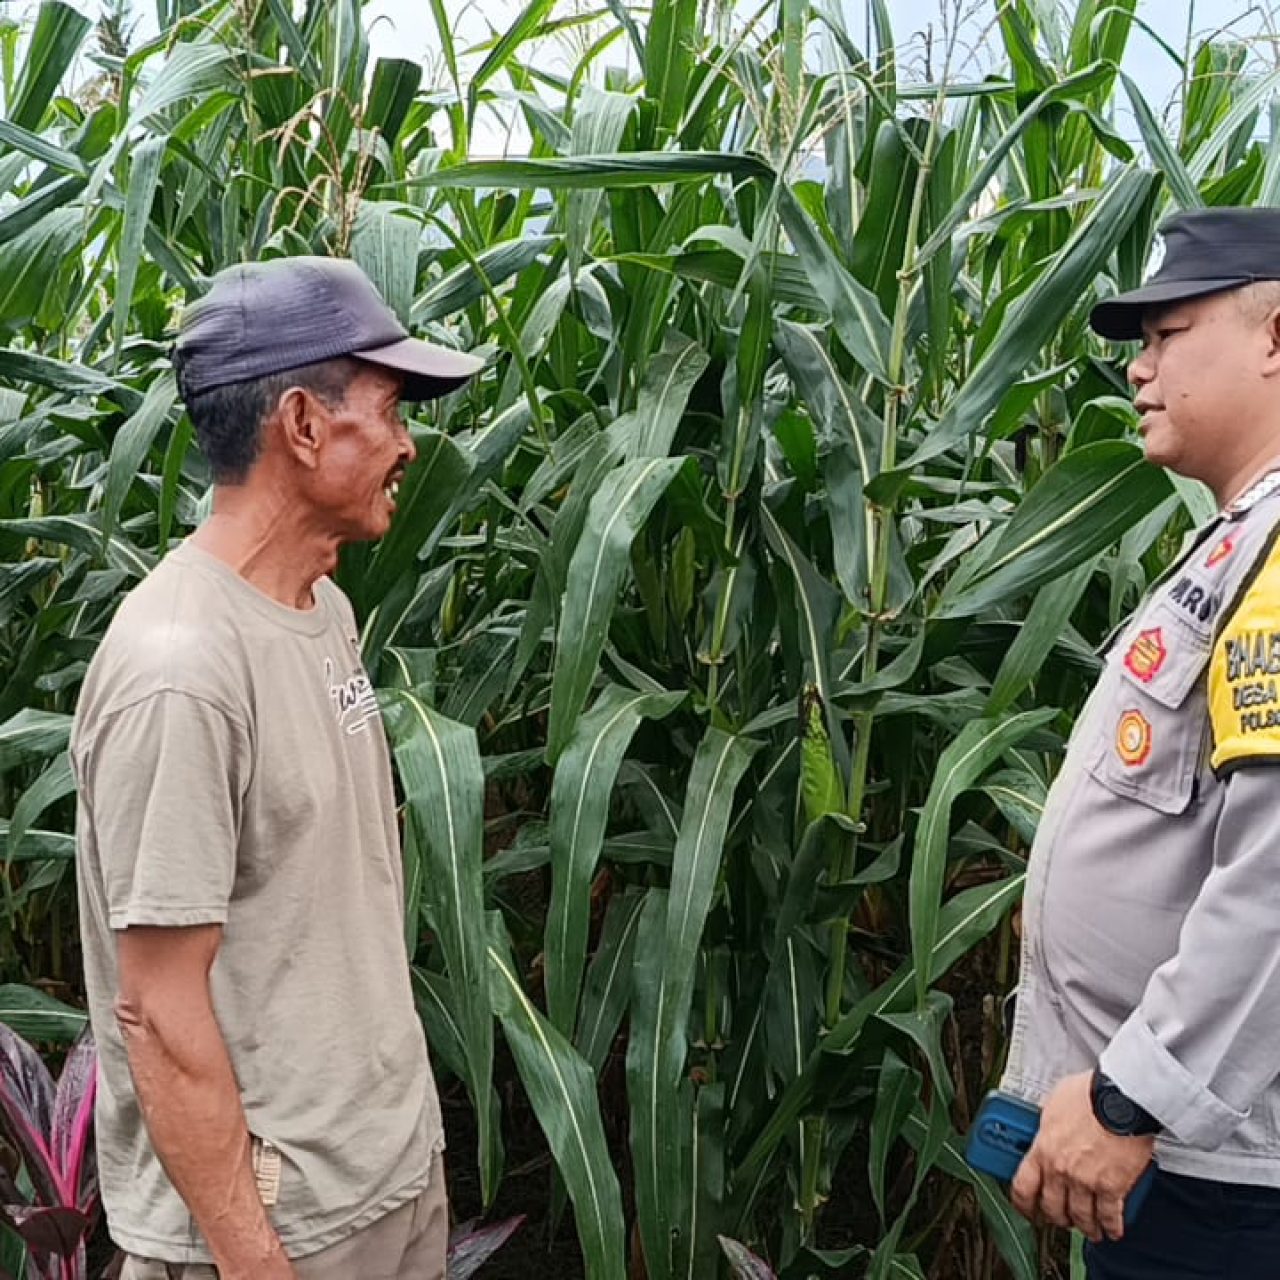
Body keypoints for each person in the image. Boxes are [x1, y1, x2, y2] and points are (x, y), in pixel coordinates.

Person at [72, 256, 483, 1279]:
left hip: (380, 1185)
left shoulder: (321, 606)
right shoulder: (182, 669)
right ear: (302, 424)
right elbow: (160, 1017)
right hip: (271, 1238)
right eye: (388, 408)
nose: (406, 442)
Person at [1001, 206, 1280, 1278]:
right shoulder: (1236, 541)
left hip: (1218, 1175)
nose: (1136, 368)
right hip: (1179, 1150)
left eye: (1166, 334)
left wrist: (1130, 1095)